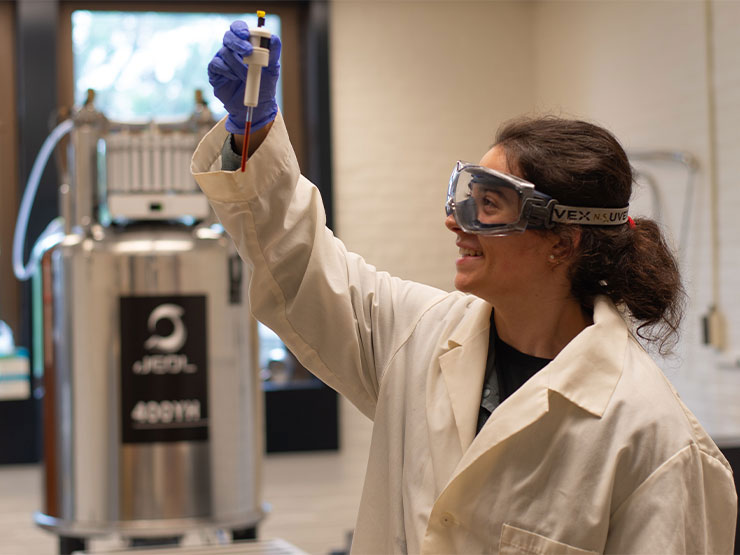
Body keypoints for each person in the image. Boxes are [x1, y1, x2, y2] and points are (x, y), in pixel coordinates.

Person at [194, 21, 737, 554]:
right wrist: (254, 132)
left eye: (488, 204)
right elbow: (301, 265)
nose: (457, 220)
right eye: (464, 195)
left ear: (563, 242)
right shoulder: (420, 337)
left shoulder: (655, 440)